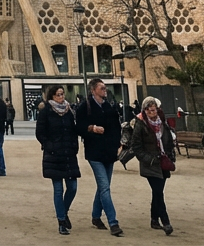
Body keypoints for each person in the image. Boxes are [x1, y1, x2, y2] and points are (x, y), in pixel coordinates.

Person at [76, 77, 124, 236]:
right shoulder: (84, 107)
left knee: (104, 187)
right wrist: (91, 128)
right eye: (102, 88)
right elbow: (79, 127)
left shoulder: (109, 107)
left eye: (105, 88)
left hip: (109, 153)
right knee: (104, 187)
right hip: (95, 152)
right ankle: (113, 222)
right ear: (93, 90)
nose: (105, 90)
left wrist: (118, 143)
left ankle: (96, 216)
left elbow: (116, 127)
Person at [128, 97, 177, 236]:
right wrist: (148, 159)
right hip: (150, 163)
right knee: (158, 191)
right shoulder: (140, 124)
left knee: (158, 192)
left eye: (154, 109)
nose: (152, 112)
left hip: (163, 161)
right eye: (149, 109)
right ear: (144, 110)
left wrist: (170, 154)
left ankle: (154, 219)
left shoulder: (162, 121)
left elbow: (167, 140)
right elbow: (136, 147)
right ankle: (166, 222)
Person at [37, 85, 82, 236]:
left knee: (73, 187)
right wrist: (49, 145)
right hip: (54, 154)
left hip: (68, 153)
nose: (61, 97)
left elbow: (74, 130)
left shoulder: (69, 111)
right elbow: (40, 133)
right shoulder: (46, 112)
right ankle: (61, 221)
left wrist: (74, 146)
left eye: (62, 94)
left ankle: (64, 210)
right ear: (52, 96)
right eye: (58, 95)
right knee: (58, 189)